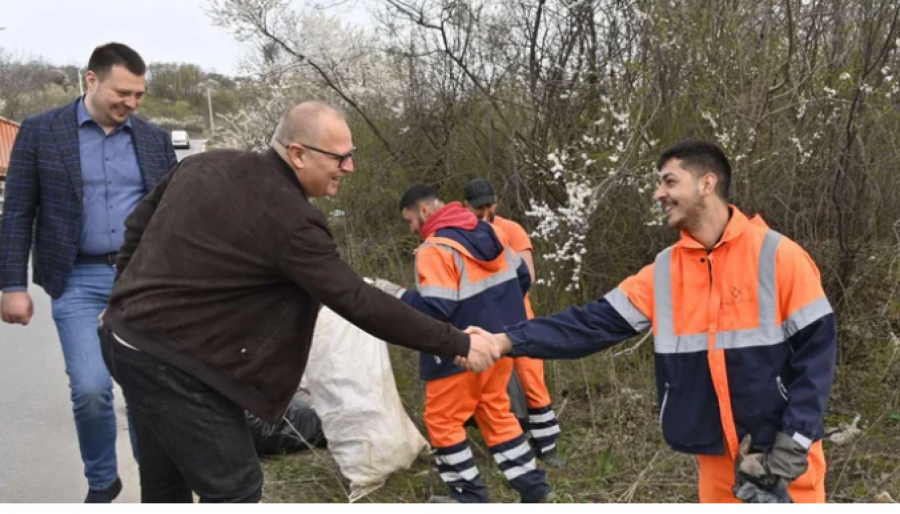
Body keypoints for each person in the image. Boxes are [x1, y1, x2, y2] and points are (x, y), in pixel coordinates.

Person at [98, 101, 499, 503]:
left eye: (352, 155)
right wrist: (457, 343)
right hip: (174, 367)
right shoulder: (292, 220)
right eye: (340, 158)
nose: (350, 167)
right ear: (297, 154)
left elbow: (137, 225)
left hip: (125, 340)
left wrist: (122, 301)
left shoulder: (205, 164)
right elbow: (357, 301)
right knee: (236, 490)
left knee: (164, 485)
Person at [463, 141, 837, 503]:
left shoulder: (779, 256)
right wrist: (505, 340)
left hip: (786, 460)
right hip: (717, 466)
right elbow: (589, 323)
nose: (659, 193)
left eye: (670, 181)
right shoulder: (663, 273)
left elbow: (817, 356)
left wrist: (794, 442)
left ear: (707, 183)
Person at [0, 43, 177, 503]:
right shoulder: (41, 133)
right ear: (91, 80)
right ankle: (103, 479)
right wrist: (12, 285)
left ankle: (156, 486)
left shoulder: (154, 139)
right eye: (123, 92)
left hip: (141, 280)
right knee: (92, 389)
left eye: (139, 95)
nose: (132, 103)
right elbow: (18, 212)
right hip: (76, 278)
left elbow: (175, 214)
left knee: (145, 387)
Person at [372, 184, 553, 503]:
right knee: (496, 413)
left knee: (443, 421)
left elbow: (434, 309)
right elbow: (523, 277)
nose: (412, 228)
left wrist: (394, 293)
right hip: (501, 345)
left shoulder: (434, 249)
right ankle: (534, 489)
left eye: (410, 220)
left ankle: (467, 498)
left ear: (424, 211)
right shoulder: (491, 232)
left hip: (458, 353)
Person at [463, 178, 563, 468]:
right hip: (482, 322)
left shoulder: (511, 230)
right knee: (488, 384)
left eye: (488, 205)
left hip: (518, 318)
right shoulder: (461, 234)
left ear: (496, 201)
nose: (485, 212)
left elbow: (527, 276)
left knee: (531, 378)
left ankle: (548, 446)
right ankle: (508, 443)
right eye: (478, 208)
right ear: (466, 206)